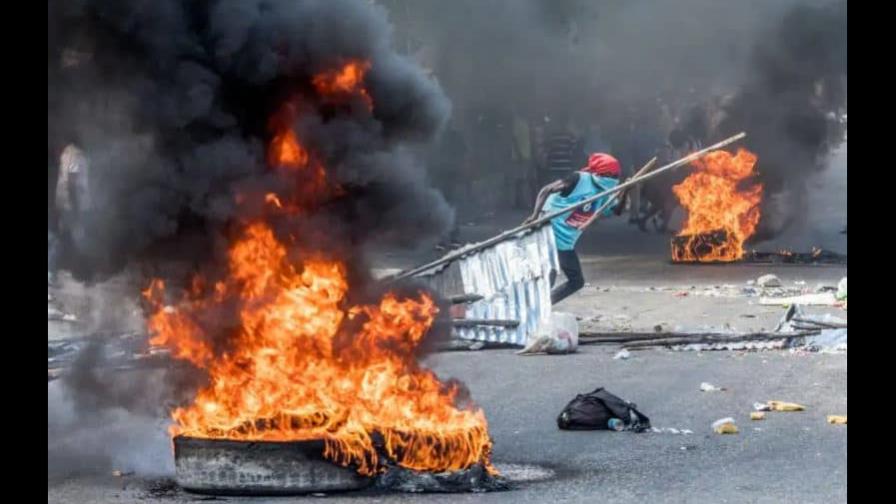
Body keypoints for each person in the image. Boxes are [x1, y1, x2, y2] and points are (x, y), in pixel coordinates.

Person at [524, 153, 625, 304]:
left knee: (576, 281)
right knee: (549, 277)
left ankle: (543, 306)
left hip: (567, 241)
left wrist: (625, 191)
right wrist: (535, 215)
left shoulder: (607, 191)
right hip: (551, 231)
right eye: (611, 175)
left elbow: (616, 211)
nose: (614, 178)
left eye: (616, 175)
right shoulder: (579, 179)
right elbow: (546, 190)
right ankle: (537, 310)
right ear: (600, 173)